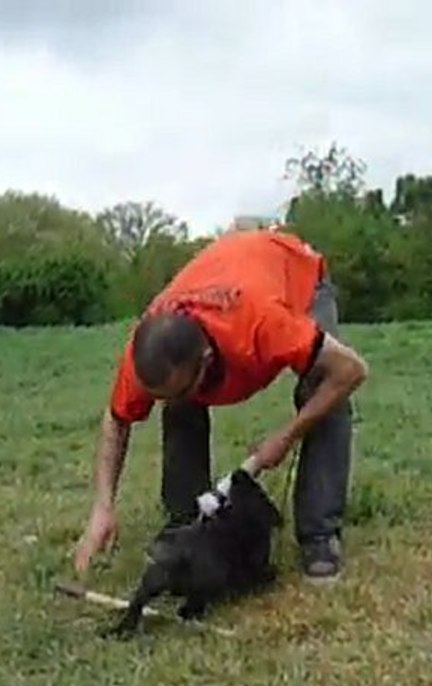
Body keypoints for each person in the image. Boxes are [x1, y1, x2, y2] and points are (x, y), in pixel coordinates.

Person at [73, 227, 369, 583]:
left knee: (323, 388)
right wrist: (103, 507)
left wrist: (286, 436)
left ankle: (320, 535)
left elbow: (350, 370)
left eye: (180, 389)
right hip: (229, 266)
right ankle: (184, 525)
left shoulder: (261, 323)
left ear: (208, 359)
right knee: (180, 408)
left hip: (293, 273)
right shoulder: (147, 351)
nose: (165, 401)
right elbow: (116, 421)